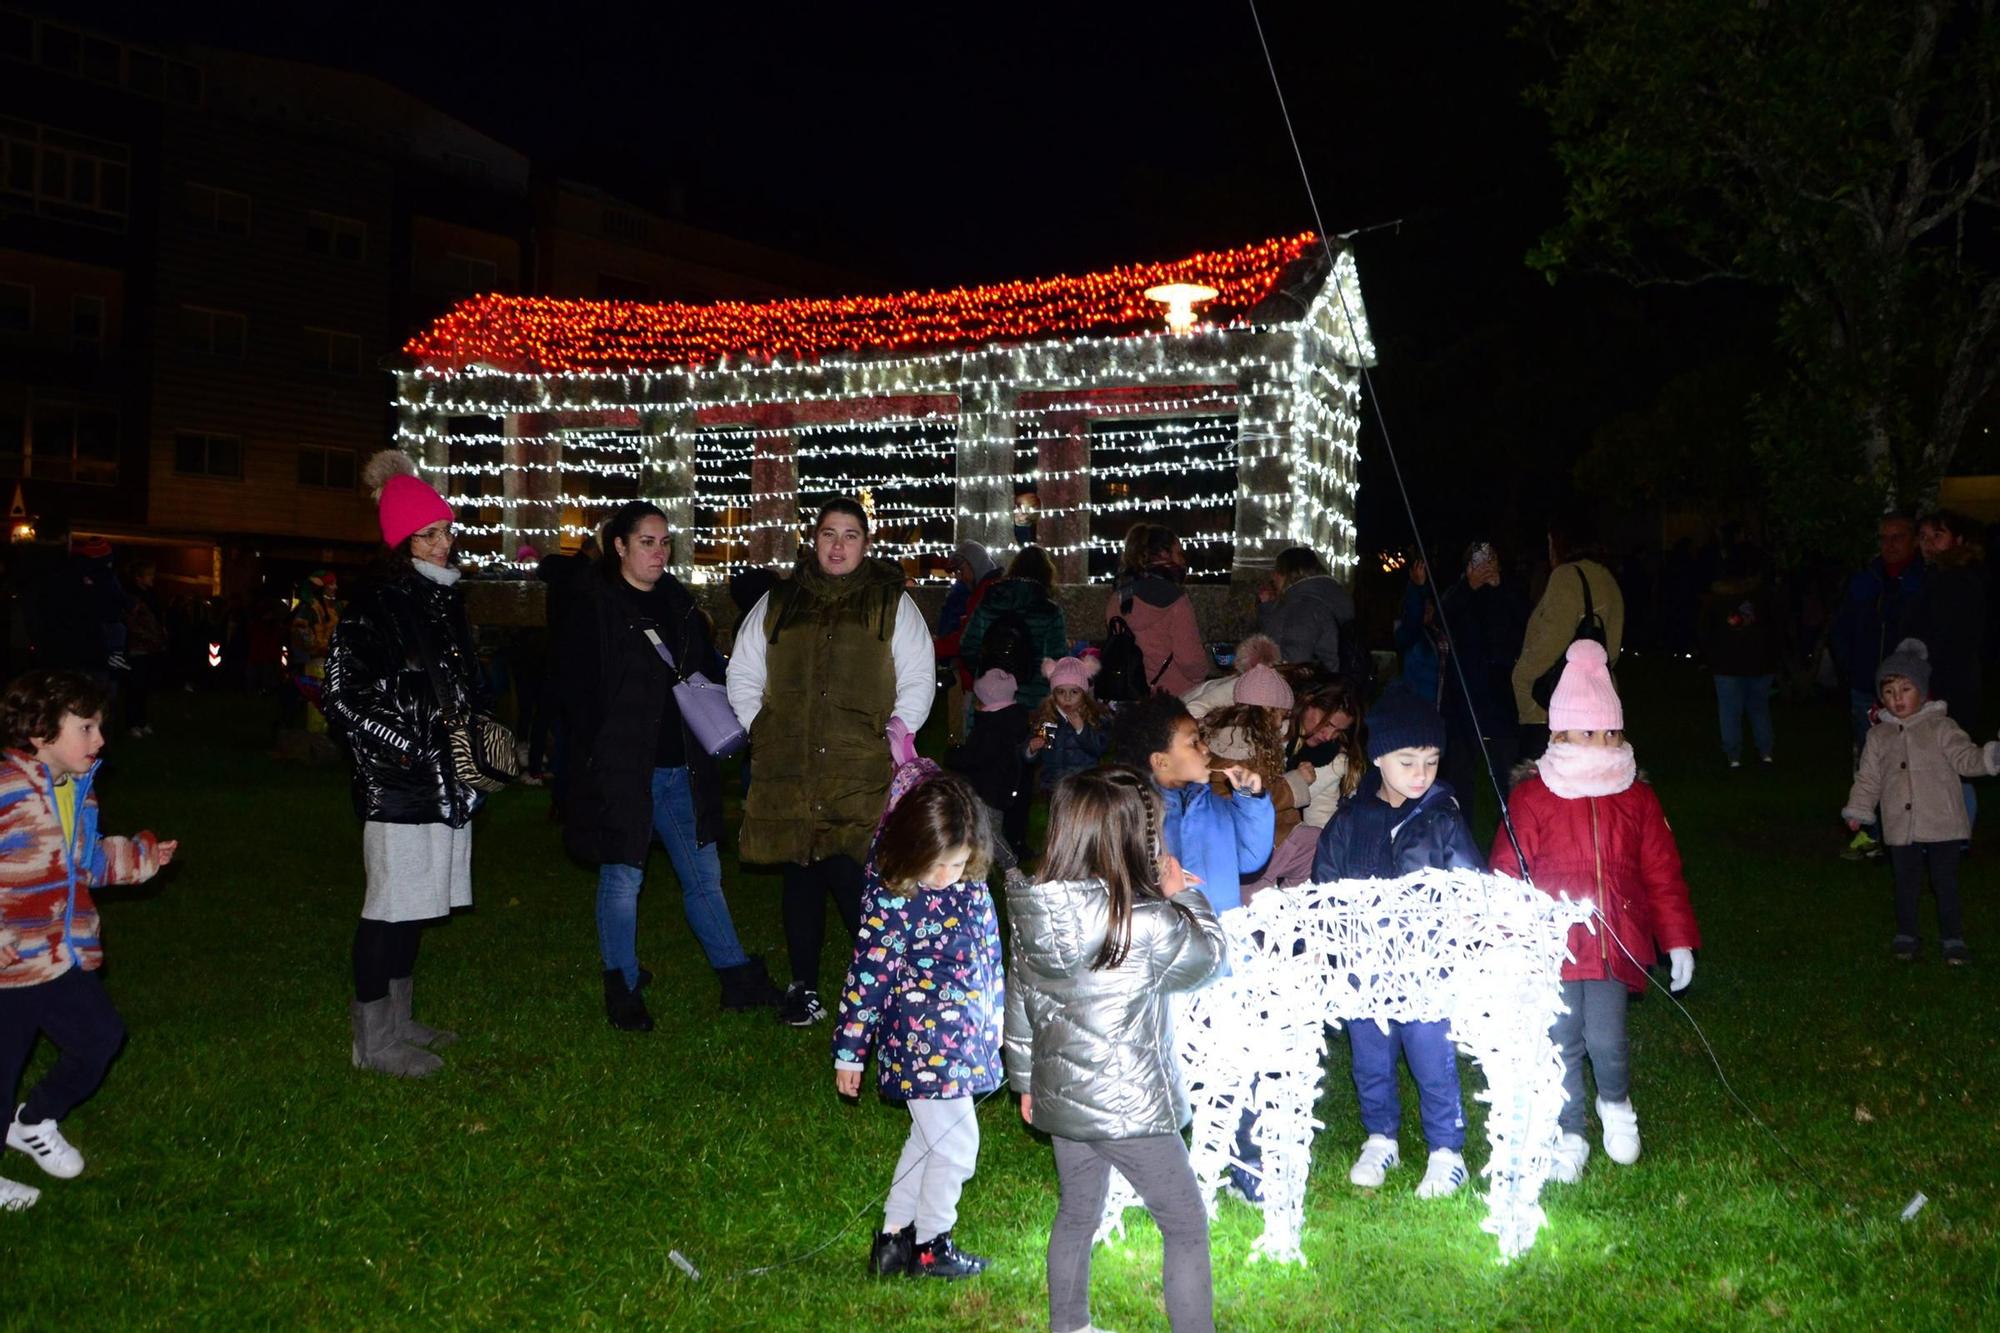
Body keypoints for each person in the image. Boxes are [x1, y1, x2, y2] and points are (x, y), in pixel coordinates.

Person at [1003, 767, 1225, 1333]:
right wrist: (1189, 895)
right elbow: (1206, 959)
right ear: (1133, 841)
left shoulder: (1033, 911)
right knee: (1183, 1224)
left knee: (1077, 1212)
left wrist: (1025, 1081)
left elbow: (1020, 1002)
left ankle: (1070, 1325)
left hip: (1064, 1102)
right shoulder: (1146, 921)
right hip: (1132, 1107)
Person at [560, 501, 782, 1031]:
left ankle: (736, 977)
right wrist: (593, 761)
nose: (659, 552)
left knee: (704, 876)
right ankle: (623, 984)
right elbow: (577, 695)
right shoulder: (594, 607)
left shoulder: (678, 604)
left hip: (682, 766)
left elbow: (705, 673)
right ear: (619, 546)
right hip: (622, 771)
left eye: (664, 542)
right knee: (622, 878)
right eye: (646, 542)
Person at [1492, 640, 1701, 1180]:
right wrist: (1508, 938)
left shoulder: (1636, 798)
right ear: (1558, 733)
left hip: (1613, 942)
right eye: (1587, 733)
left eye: (1610, 733)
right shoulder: (1533, 797)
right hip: (1552, 945)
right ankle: (1569, 1129)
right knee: (1561, 1039)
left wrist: (1676, 937)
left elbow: (1661, 871)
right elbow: (1508, 874)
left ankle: (1616, 1103)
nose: (1600, 744)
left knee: (1606, 1038)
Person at [726, 498, 936, 1027]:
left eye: (849, 535)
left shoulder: (890, 602)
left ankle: (884, 982)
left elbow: (917, 674)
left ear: (866, 544)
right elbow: (745, 670)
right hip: (791, 766)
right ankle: (803, 984)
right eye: (827, 534)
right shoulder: (778, 601)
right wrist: (762, 727)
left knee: (854, 873)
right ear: (813, 540)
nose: (837, 545)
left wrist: (895, 734)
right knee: (800, 872)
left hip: (858, 765)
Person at [323, 450, 485, 1078]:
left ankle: (400, 1018)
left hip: (446, 781)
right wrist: (414, 750)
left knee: (420, 902)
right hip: (400, 785)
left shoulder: (443, 603)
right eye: (430, 533)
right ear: (401, 543)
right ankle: (372, 1039)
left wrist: (472, 741)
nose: (444, 543)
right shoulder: (375, 607)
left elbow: (457, 687)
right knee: (389, 907)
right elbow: (344, 698)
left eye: (447, 530)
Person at [0, 671, 176, 1209]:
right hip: (7, 967)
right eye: (86, 726)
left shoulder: (77, 789)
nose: (99, 739)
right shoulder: (6, 790)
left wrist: (141, 859)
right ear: (40, 731)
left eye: (100, 725)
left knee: (101, 1037)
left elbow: (85, 860)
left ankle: (33, 1121)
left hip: (61, 957)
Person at [1310, 686, 1484, 1198]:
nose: (1421, 774)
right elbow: (1326, 891)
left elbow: (1471, 889)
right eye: (1407, 761)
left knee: (1432, 1058)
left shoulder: (1443, 820)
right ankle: (1380, 1137)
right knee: (1371, 1058)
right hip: (1366, 968)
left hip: (1425, 969)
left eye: (1431, 761)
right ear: (1378, 757)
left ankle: (1446, 1150)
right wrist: (1329, 947)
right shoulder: (1348, 822)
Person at [834, 766, 1003, 1281]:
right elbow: (869, 972)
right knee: (956, 1146)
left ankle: (892, 1242)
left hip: (962, 1037)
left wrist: (994, 1025)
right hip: (922, 1041)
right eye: (936, 865)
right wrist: (850, 1049)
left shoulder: (971, 884)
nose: (944, 877)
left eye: (954, 864)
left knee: (926, 1141)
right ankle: (933, 1245)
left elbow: (989, 955)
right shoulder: (896, 893)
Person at [1842, 639, 1998, 965]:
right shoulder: (1878, 736)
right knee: (1905, 881)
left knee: (1945, 881)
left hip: (1942, 820)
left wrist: (1989, 757)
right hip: (1900, 823)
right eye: (1889, 692)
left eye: (1905, 689)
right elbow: (1868, 778)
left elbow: (1965, 759)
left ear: (1923, 690)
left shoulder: (1941, 727)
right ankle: (1907, 934)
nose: (1897, 699)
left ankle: (1953, 938)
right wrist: (1859, 808)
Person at [1112, 691, 1273, 914]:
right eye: (1194, 742)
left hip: (1222, 936)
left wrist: (1251, 799)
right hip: (1172, 940)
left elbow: (1251, 858)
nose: (1205, 748)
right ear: (1161, 761)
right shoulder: (1136, 817)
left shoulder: (1215, 807)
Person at [1830, 513, 1925, 859]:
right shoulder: (1865, 581)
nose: (1890, 544)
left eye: (1898, 537)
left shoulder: (1923, 581)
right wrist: (1851, 667)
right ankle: (1869, 833)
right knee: (1869, 759)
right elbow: (1842, 626)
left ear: (1912, 540)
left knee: (1913, 760)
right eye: (1884, 537)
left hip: (1911, 692)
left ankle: (1911, 834)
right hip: (1865, 687)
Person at [960, 546, 1067, 846]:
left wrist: (988, 677)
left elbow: (968, 647)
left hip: (988, 705)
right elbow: (1056, 663)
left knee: (984, 770)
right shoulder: (1049, 610)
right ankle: (1015, 842)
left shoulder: (989, 601)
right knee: (1022, 770)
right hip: (1031, 706)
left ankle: (980, 841)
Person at [1513, 517, 1625, 757]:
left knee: (1544, 779)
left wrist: (1521, 677)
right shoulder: (1608, 578)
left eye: (1551, 542)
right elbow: (1612, 650)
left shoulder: (1566, 576)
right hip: (1599, 701)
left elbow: (1552, 638)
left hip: (1554, 701)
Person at [1910, 511, 1987, 835]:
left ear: (1957, 540)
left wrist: (1923, 676)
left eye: (1937, 535)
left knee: (1953, 758)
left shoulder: (1955, 580)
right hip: (1949, 680)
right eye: (1924, 536)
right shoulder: (1939, 576)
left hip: (1949, 683)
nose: (1929, 543)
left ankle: (1957, 833)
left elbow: (1945, 637)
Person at [1438, 541, 1526, 805]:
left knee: (1507, 768)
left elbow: (1525, 624)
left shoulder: (1509, 590)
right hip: (1463, 694)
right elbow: (1442, 619)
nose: (1486, 567)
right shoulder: (1458, 593)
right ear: (1468, 567)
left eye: (1491, 560)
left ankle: (1514, 826)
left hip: (1500, 694)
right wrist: (1469, 586)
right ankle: (1459, 830)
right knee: (1460, 769)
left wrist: (1501, 588)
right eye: (1479, 562)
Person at [1697, 544, 1783, 768]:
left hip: (1726, 664)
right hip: (1759, 663)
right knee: (1759, 708)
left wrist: (1711, 655)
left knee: (1729, 710)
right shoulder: (1763, 595)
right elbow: (1774, 628)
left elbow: (1706, 630)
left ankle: (1733, 756)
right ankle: (1765, 752)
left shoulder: (1717, 597)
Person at [1105, 523, 1210, 699]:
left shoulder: (1119, 598)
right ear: (1163, 554)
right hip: (1175, 696)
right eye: (1178, 553)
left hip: (1130, 692)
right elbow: (1190, 660)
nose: (1182, 560)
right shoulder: (1176, 600)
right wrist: (1202, 673)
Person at [943, 668, 1031, 865]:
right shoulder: (1009, 722)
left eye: (980, 700)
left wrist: (952, 756)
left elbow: (973, 757)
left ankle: (1010, 866)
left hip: (988, 792)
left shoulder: (990, 730)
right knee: (981, 830)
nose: (976, 704)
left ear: (991, 704)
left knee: (990, 834)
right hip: (998, 789)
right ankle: (981, 866)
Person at [933, 541, 1001, 747]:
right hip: (980, 675)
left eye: (961, 570)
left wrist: (933, 648)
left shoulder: (986, 591)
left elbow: (968, 637)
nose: (959, 577)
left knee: (975, 738)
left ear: (974, 564)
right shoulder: (982, 589)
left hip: (983, 677)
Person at [1256, 546, 1355, 675]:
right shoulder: (1319, 599)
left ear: (1288, 573)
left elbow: (1293, 661)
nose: (1273, 577)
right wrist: (1269, 607)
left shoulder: (1304, 606)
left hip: (1304, 689)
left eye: (1276, 571)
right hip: (1322, 686)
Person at [1027, 656, 1110, 794]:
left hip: (1084, 787)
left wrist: (1081, 729)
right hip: (1053, 788)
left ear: (1084, 693)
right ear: (1053, 694)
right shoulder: (1049, 719)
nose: (1067, 698)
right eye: (1061, 692)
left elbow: (1099, 749)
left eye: (1074, 692)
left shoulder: (1093, 717)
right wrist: (1032, 749)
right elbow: (1040, 757)